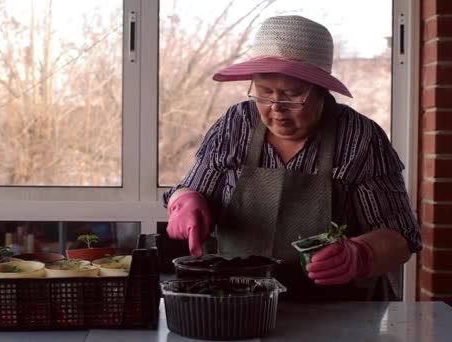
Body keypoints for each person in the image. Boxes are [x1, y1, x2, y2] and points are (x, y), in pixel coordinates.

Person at [163, 15, 421, 301]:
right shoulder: (236, 123)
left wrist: (362, 254)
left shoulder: (360, 136)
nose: (276, 108)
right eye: (264, 93)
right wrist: (185, 202)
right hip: (237, 302)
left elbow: (401, 236)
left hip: (335, 310)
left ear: (321, 91)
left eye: (291, 95)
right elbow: (190, 189)